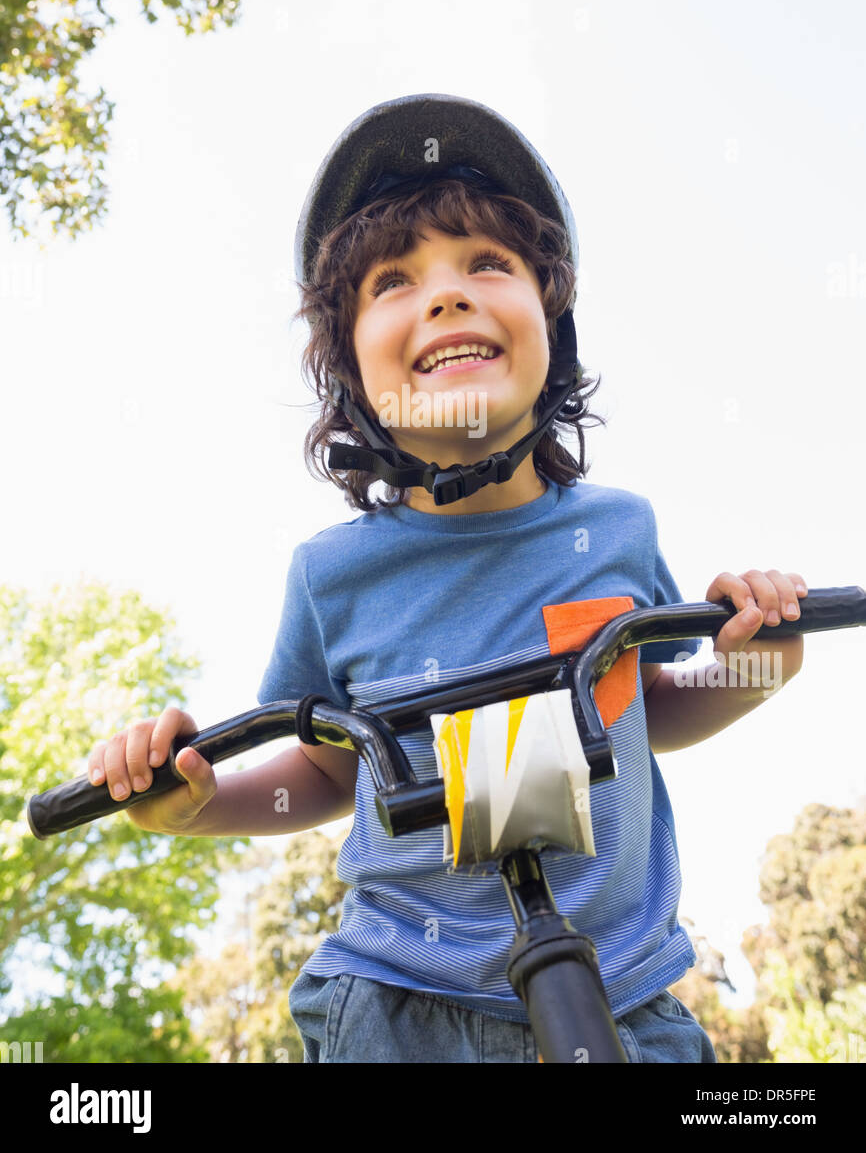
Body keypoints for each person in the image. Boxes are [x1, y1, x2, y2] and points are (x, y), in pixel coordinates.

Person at [87, 93, 808, 1064]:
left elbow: (648, 707)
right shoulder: (331, 577)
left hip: (625, 999)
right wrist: (197, 802)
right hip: (400, 1006)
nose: (445, 295)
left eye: (487, 264)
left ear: (552, 325)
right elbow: (327, 769)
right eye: (394, 279)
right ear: (350, 373)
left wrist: (759, 663)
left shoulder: (617, 531)